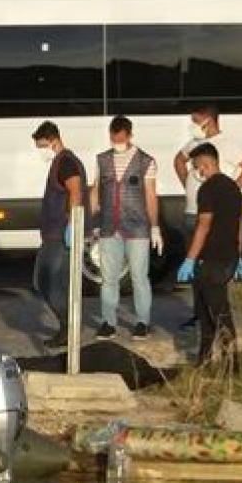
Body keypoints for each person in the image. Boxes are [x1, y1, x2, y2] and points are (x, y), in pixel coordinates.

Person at [173, 104, 242, 329]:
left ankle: (216, 316)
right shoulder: (194, 144)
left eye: (195, 120)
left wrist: (232, 188)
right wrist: (188, 185)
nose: (192, 125)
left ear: (208, 120)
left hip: (211, 217)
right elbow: (178, 160)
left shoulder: (227, 144)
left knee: (211, 268)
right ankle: (199, 313)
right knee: (196, 274)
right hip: (192, 212)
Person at [89, 116, 161, 341]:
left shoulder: (146, 161)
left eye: (120, 139)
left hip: (138, 228)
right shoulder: (101, 160)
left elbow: (150, 195)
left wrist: (155, 226)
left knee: (139, 276)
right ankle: (108, 322)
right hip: (110, 227)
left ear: (129, 136)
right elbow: (95, 191)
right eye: (113, 139)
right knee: (108, 278)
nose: (116, 143)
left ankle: (142, 322)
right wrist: (93, 223)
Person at [176, 142, 242, 371]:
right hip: (228, 257)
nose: (197, 172)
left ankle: (231, 365)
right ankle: (203, 362)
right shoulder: (233, 187)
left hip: (210, 259)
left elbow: (203, 225)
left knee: (216, 314)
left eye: (197, 167)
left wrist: (190, 258)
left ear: (207, 164)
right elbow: (240, 224)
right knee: (208, 312)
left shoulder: (207, 190)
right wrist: (239, 255)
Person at [30, 121, 88, 350]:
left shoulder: (66, 162)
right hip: (53, 233)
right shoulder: (61, 161)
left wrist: (72, 224)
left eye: (42, 146)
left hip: (59, 234)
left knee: (45, 281)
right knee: (57, 283)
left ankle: (69, 324)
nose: (41, 151)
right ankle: (67, 328)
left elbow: (75, 190)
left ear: (52, 140)